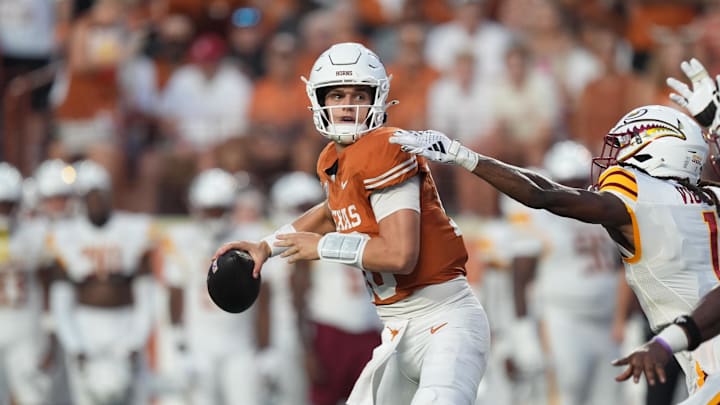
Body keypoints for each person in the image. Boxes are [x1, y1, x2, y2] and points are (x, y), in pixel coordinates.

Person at [214, 42, 491, 405]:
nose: (347, 104)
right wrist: (266, 246)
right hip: (397, 331)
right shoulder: (334, 158)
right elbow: (330, 212)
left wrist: (322, 247)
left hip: (444, 321)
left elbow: (400, 255)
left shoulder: (386, 147)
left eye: (359, 95)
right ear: (320, 100)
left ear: (378, 99)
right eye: (338, 94)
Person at [388, 101, 720, 401]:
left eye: (625, 147)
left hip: (708, 356)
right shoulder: (710, 197)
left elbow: (543, 194)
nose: (615, 159)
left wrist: (464, 155)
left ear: (655, 151)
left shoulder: (640, 197)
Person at [46, 160, 158, 405]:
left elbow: (147, 293)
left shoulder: (133, 229)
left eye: (100, 195)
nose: (96, 201)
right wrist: (74, 345)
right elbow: (60, 298)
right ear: (81, 199)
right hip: (85, 326)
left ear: (109, 194)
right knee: (87, 398)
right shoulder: (66, 235)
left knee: (133, 396)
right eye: (90, 196)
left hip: (125, 322)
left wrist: (136, 339)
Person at [161, 168, 269, 405]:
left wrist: (266, 349)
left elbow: (264, 297)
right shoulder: (182, 240)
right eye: (209, 211)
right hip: (200, 346)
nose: (214, 217)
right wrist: (178, 344)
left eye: (219, 210)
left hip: (241, 345)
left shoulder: (248, 238)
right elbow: (175, 294)